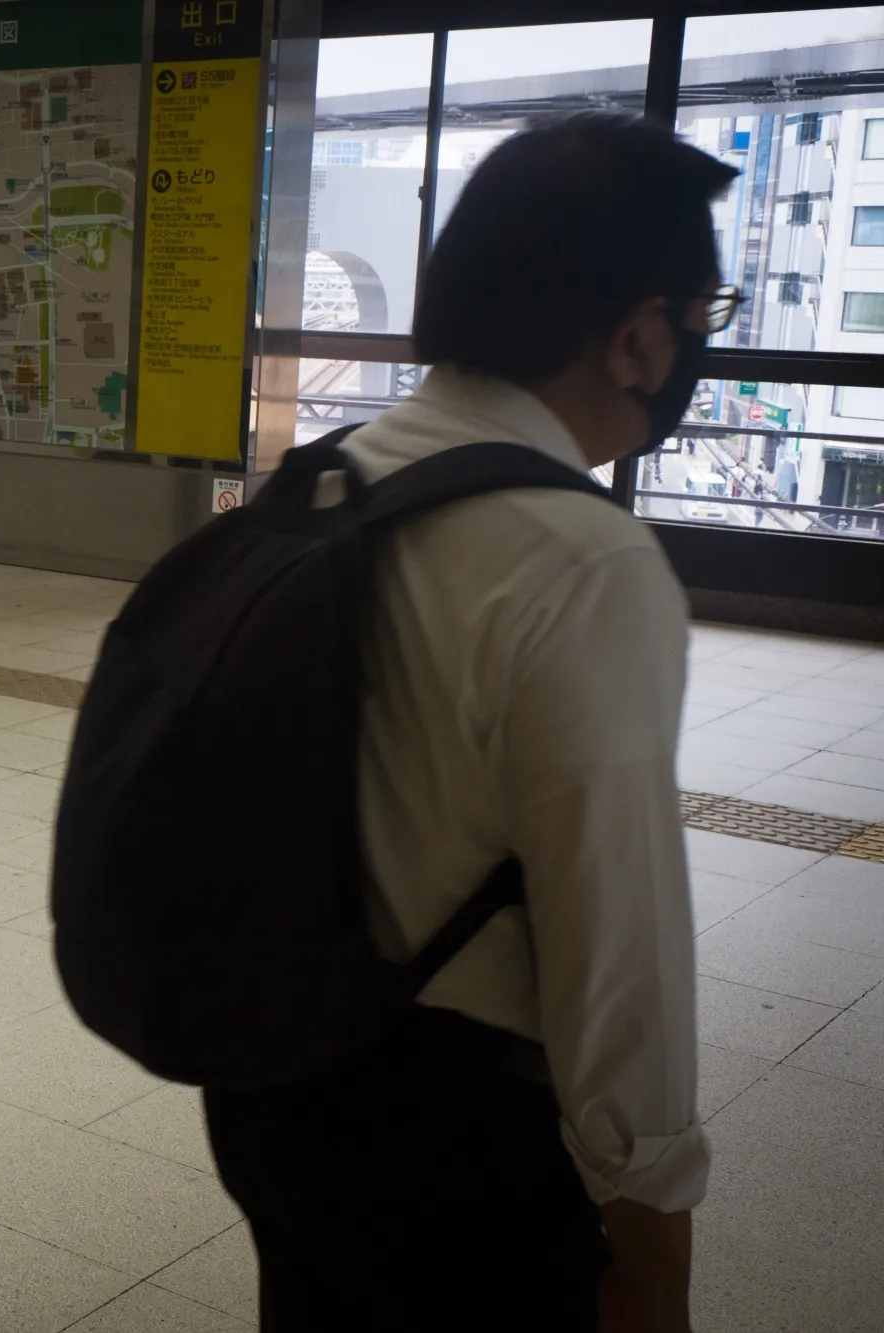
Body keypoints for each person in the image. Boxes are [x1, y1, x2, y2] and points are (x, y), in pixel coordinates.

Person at [200, 115, 736, 1330]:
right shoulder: (583, 559)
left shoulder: (327, 478)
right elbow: (620, 955)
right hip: (449, 1137)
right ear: (639, 337)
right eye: (703, 317)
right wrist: (653, 1252)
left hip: (272, 1081)